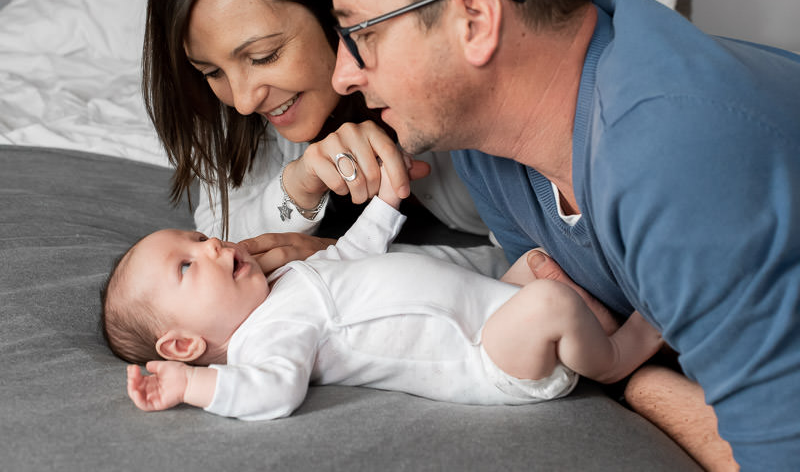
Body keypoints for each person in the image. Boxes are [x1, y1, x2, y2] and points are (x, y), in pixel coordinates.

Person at [327, 0, 800, 469]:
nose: (342, 75)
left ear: (476, 21)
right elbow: (594, 328)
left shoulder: (672, 149)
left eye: (362, 33)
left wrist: (638, 383)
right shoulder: (486, 146)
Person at [101, 164, 662, 421]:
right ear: (181, 345)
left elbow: (348, 252)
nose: (214, 246)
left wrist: (388, 203)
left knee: (536, 266)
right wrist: (194, 386)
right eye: (186, 266)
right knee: (552, 302)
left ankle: (590, 328)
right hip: (488, 357)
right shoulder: (267, 340)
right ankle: (613, 362)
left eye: (199, 238)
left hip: (492, 302)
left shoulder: (281, 286)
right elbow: (270, 395)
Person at [142, 0, 510, 277]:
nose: (242, 101)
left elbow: (538, 265)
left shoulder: (456, 89)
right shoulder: (233, 107)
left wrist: (343, 256)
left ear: (334, 7)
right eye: (211, 71)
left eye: (264, 56)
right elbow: (221, 245)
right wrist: (295, 190)